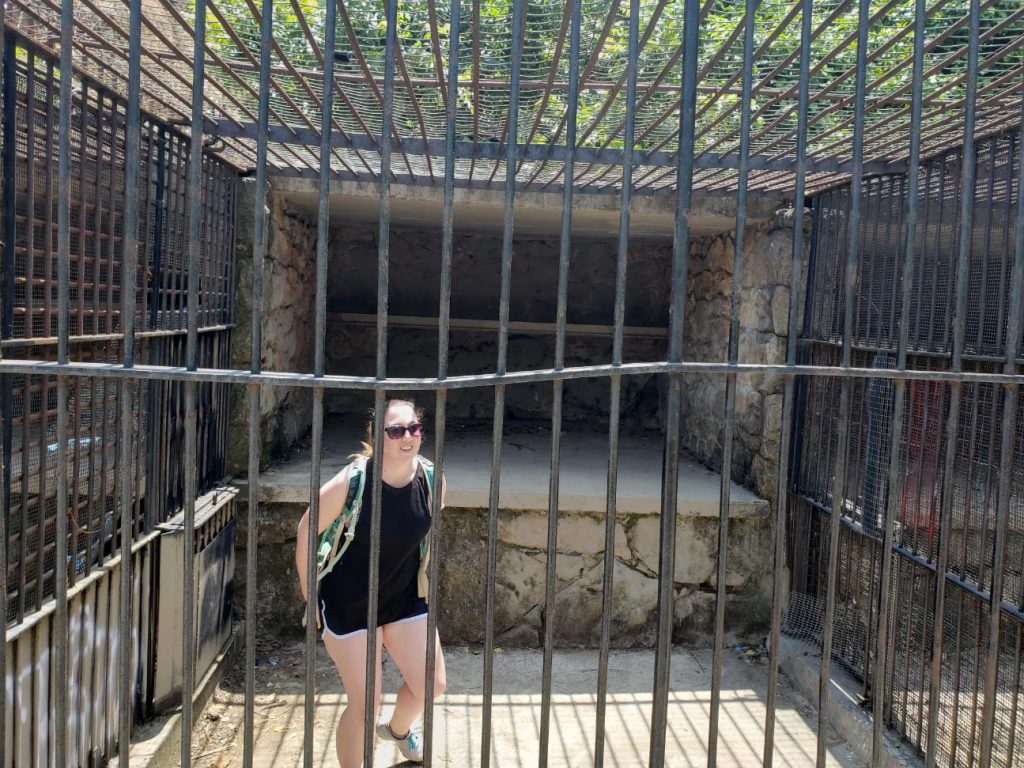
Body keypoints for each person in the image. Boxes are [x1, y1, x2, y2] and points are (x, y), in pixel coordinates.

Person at [296, 398, 447, 767]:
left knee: (433, 685)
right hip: (349, 604)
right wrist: (308, 596)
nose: (407, 437)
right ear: (377, 438)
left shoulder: (431, 479)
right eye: (396, 430)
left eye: (414, 428)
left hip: (402, 597)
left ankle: (396, 731)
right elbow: (306, 530)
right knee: (366, 705)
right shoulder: (353, 482)